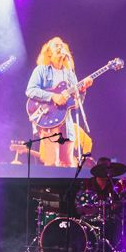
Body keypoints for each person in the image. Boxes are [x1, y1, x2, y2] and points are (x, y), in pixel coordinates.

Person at [25, 37, 92, 167]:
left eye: (62, 45)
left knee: (68, 163)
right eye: (56, 45)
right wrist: (53, 96)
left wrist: (82, 90)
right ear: (49, 52)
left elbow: (76, 103)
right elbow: (30, 90)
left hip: (66, 122)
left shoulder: (70, 74)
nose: (60, 47)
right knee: (52, 163)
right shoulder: (41, 70)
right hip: (48, 118)